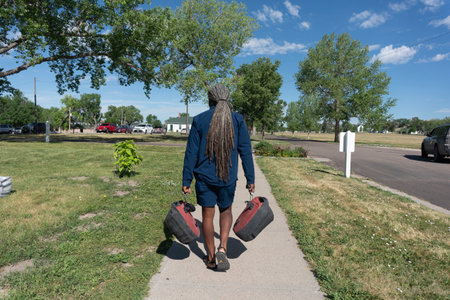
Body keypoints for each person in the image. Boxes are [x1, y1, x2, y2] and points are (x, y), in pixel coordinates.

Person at [182, 84, 255, 271]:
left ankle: (211, 256)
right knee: (226, 210)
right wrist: (250, 178)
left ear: (210, 99)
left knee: (207, 216)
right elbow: (245, 151)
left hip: (205, 178)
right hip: (228, 178)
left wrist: (186, 180)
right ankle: (223, 247)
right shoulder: (237, 119)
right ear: (227, 98)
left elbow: (191, 153)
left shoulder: (199, 120)